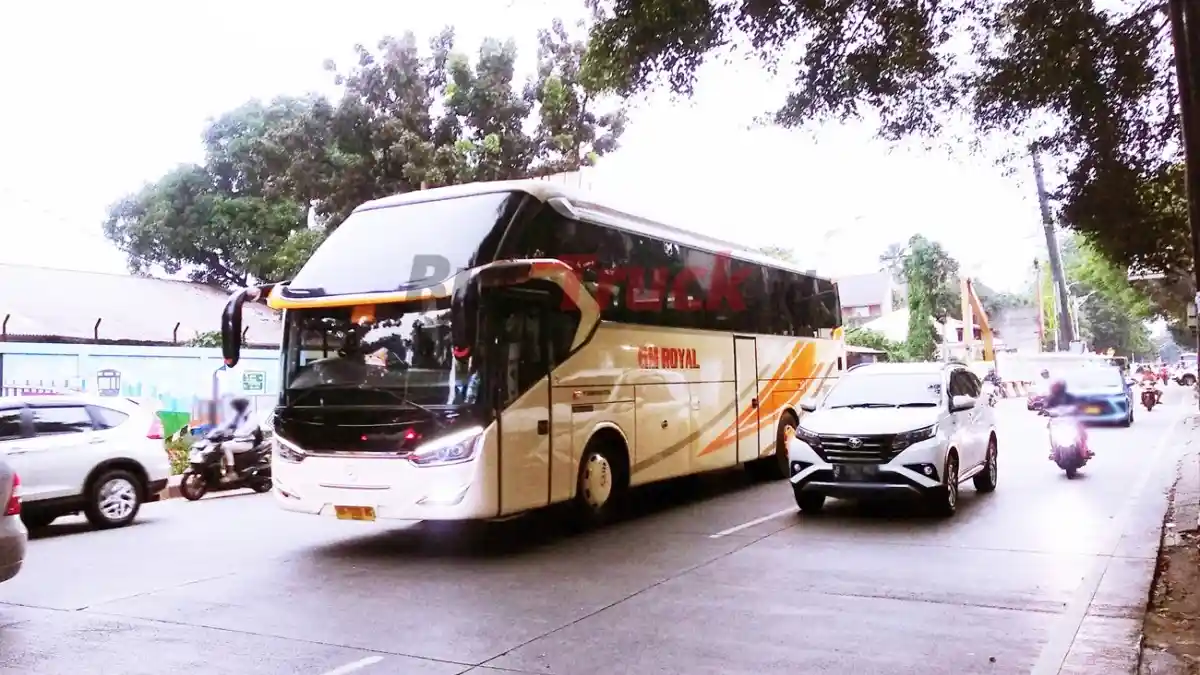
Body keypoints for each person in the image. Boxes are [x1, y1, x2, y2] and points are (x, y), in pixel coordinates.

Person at [1042, 380, 1093, 458]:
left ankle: (1084, 449)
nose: (1057, 390)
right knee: (1050, 430)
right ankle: (1054, 450)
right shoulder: (1050, 399)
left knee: (1081, 429)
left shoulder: (1070, 397)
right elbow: (1046, 407)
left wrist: (1080, 409)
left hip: (1070, 420)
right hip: (1057, 421)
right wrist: (1044, 411)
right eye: (1055, 388)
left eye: (1058, 388)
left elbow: (1078, 404)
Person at [217, 397, 259, 479]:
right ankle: (222, 470)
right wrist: (217, 432)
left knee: (226, 446)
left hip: (246, 442)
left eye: (236, 406)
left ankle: (231, 472)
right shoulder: (238, 415)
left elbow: (247, 430)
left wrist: (233, 434)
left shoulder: (251, 416)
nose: (235, 408)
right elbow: (227, 424)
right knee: (218, 447)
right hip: (237, 441)